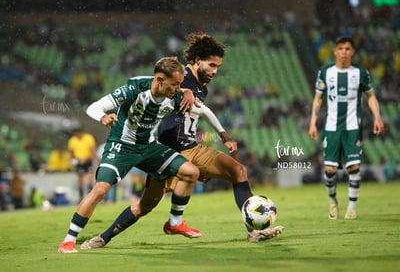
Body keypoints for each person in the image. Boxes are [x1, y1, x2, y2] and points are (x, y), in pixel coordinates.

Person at [80, 32, 284, 251]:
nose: (215, 71)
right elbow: (163, 91)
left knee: (238, 171)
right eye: (212, 65)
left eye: (218, 67)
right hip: (169, 152)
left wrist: (223, 134)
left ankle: (254, 231)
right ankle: (103, 238)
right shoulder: (182, 78)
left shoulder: (200, 86)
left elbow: (201, 109)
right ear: (197, 61)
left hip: (190, 149)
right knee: (144, 205)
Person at [58, 56, 200, 253]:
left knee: (191, 172)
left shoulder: (176, 96)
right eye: (174, 84)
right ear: (160, 80)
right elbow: (94, 107)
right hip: (122, 146)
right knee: (99, 190)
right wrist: (103, 116)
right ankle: (68, 240)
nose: (178, 88)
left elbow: (202, 109)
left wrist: (189, 93)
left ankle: (174, 223)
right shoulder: (134, 88)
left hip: (149, 147)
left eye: (180, 84)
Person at [308, 36, 384, 220]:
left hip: (352, 127)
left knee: (354, 167)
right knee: (330, 170)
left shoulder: (360, 72)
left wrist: (377, 117)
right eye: (340, 48)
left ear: (353, 52)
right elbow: (318, 98)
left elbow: (371, 96)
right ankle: (333, 202)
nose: (344, 52)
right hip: (332, 127)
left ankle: (352, 207)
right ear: (335, 51)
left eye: (348, 49)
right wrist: (312, 122)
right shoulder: (325, 71)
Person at [67, 128, 96, 200]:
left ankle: (90, 196)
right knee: (80, 180)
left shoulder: (89, 138)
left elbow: (92, 150)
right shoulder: (72, 140)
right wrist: (71, 160)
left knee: (90, 178)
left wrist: (88, 158)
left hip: (88, 160)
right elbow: (70, 152)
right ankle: (81, 198)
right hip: (78, 161)